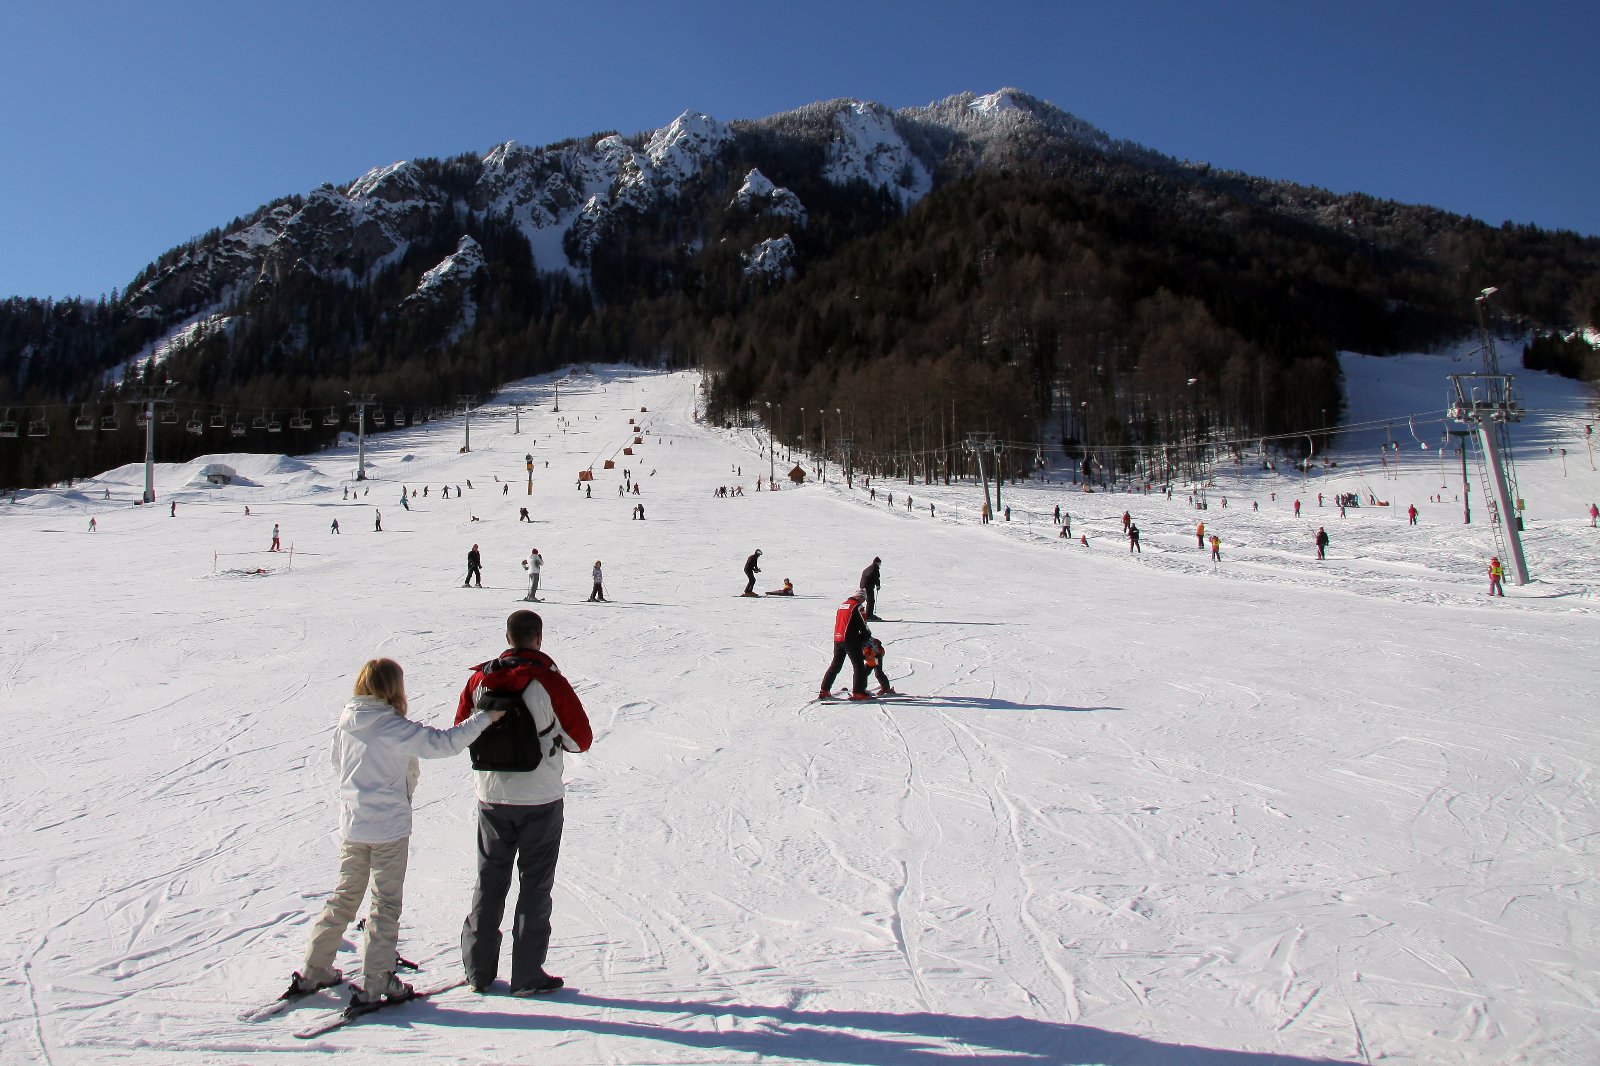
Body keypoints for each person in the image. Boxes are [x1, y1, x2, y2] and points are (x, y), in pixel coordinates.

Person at [291, 658, 499, 1010]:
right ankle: (376, 980)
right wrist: (484, 717)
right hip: (388, 829)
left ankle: (315, 968)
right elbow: (444, 743)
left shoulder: (348, 721)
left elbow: (337, 764)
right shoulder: (391, 726)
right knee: (384, 904)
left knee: (344, 897)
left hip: (354, 825)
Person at [456, 611, 594, 997]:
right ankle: (527, 973)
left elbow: (461, 729)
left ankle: (478, 971)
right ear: (539, 637)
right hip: (541, 796)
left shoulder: (479, 679)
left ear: (507, 636)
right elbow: (580, 739)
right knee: (535, 884)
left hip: (491, 795)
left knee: (489, 879)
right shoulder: (548, 680)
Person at [819, 591, 873, 701]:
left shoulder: (842, 605)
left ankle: (824, 690)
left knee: (836, 665)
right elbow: (863, 625)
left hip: (838, 638)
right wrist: (866, 638)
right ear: (860, 597)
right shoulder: (857, 607)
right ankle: (858, 692)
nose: (864, 601)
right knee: (858, 666)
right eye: (864, 599)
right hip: (850, 639)